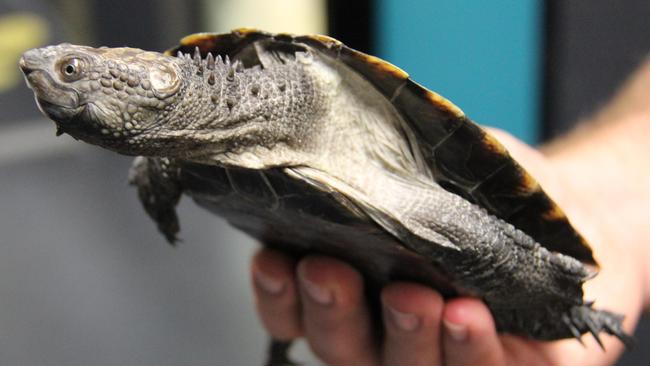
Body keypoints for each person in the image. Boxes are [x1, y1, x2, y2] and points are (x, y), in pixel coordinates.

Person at [248, 59, 650, 366]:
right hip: (320, 249)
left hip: (410, 201)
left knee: (472, 241)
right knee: (318, 285)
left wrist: (561, 295)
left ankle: (560, 301)